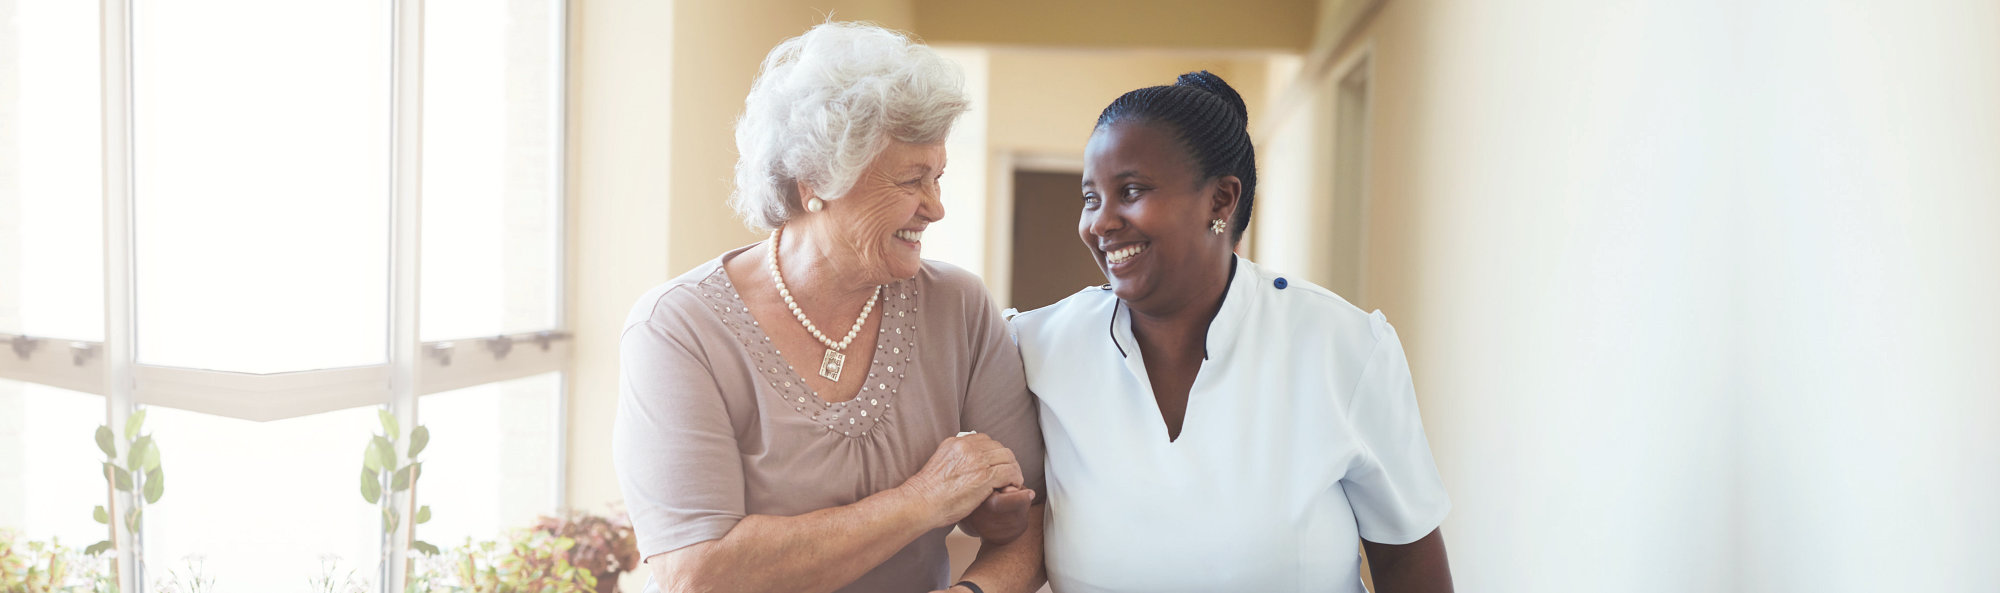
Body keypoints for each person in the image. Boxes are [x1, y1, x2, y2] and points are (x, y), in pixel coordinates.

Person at [613, 22, 1044, 593]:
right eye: (913, 180)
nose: (935, 208)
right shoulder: (678, 330)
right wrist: (924, 500)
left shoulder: (958, 307)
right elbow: (696, 574)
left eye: (938, 177)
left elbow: (1034, 519)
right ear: (814, 181)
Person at [1009, 71, 1454, 592]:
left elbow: (1409, 567)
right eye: (1090, 198)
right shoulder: (1038, 349)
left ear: (1221, 201)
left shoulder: (1341, 346)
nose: (1101, 223)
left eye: (1130, 191)